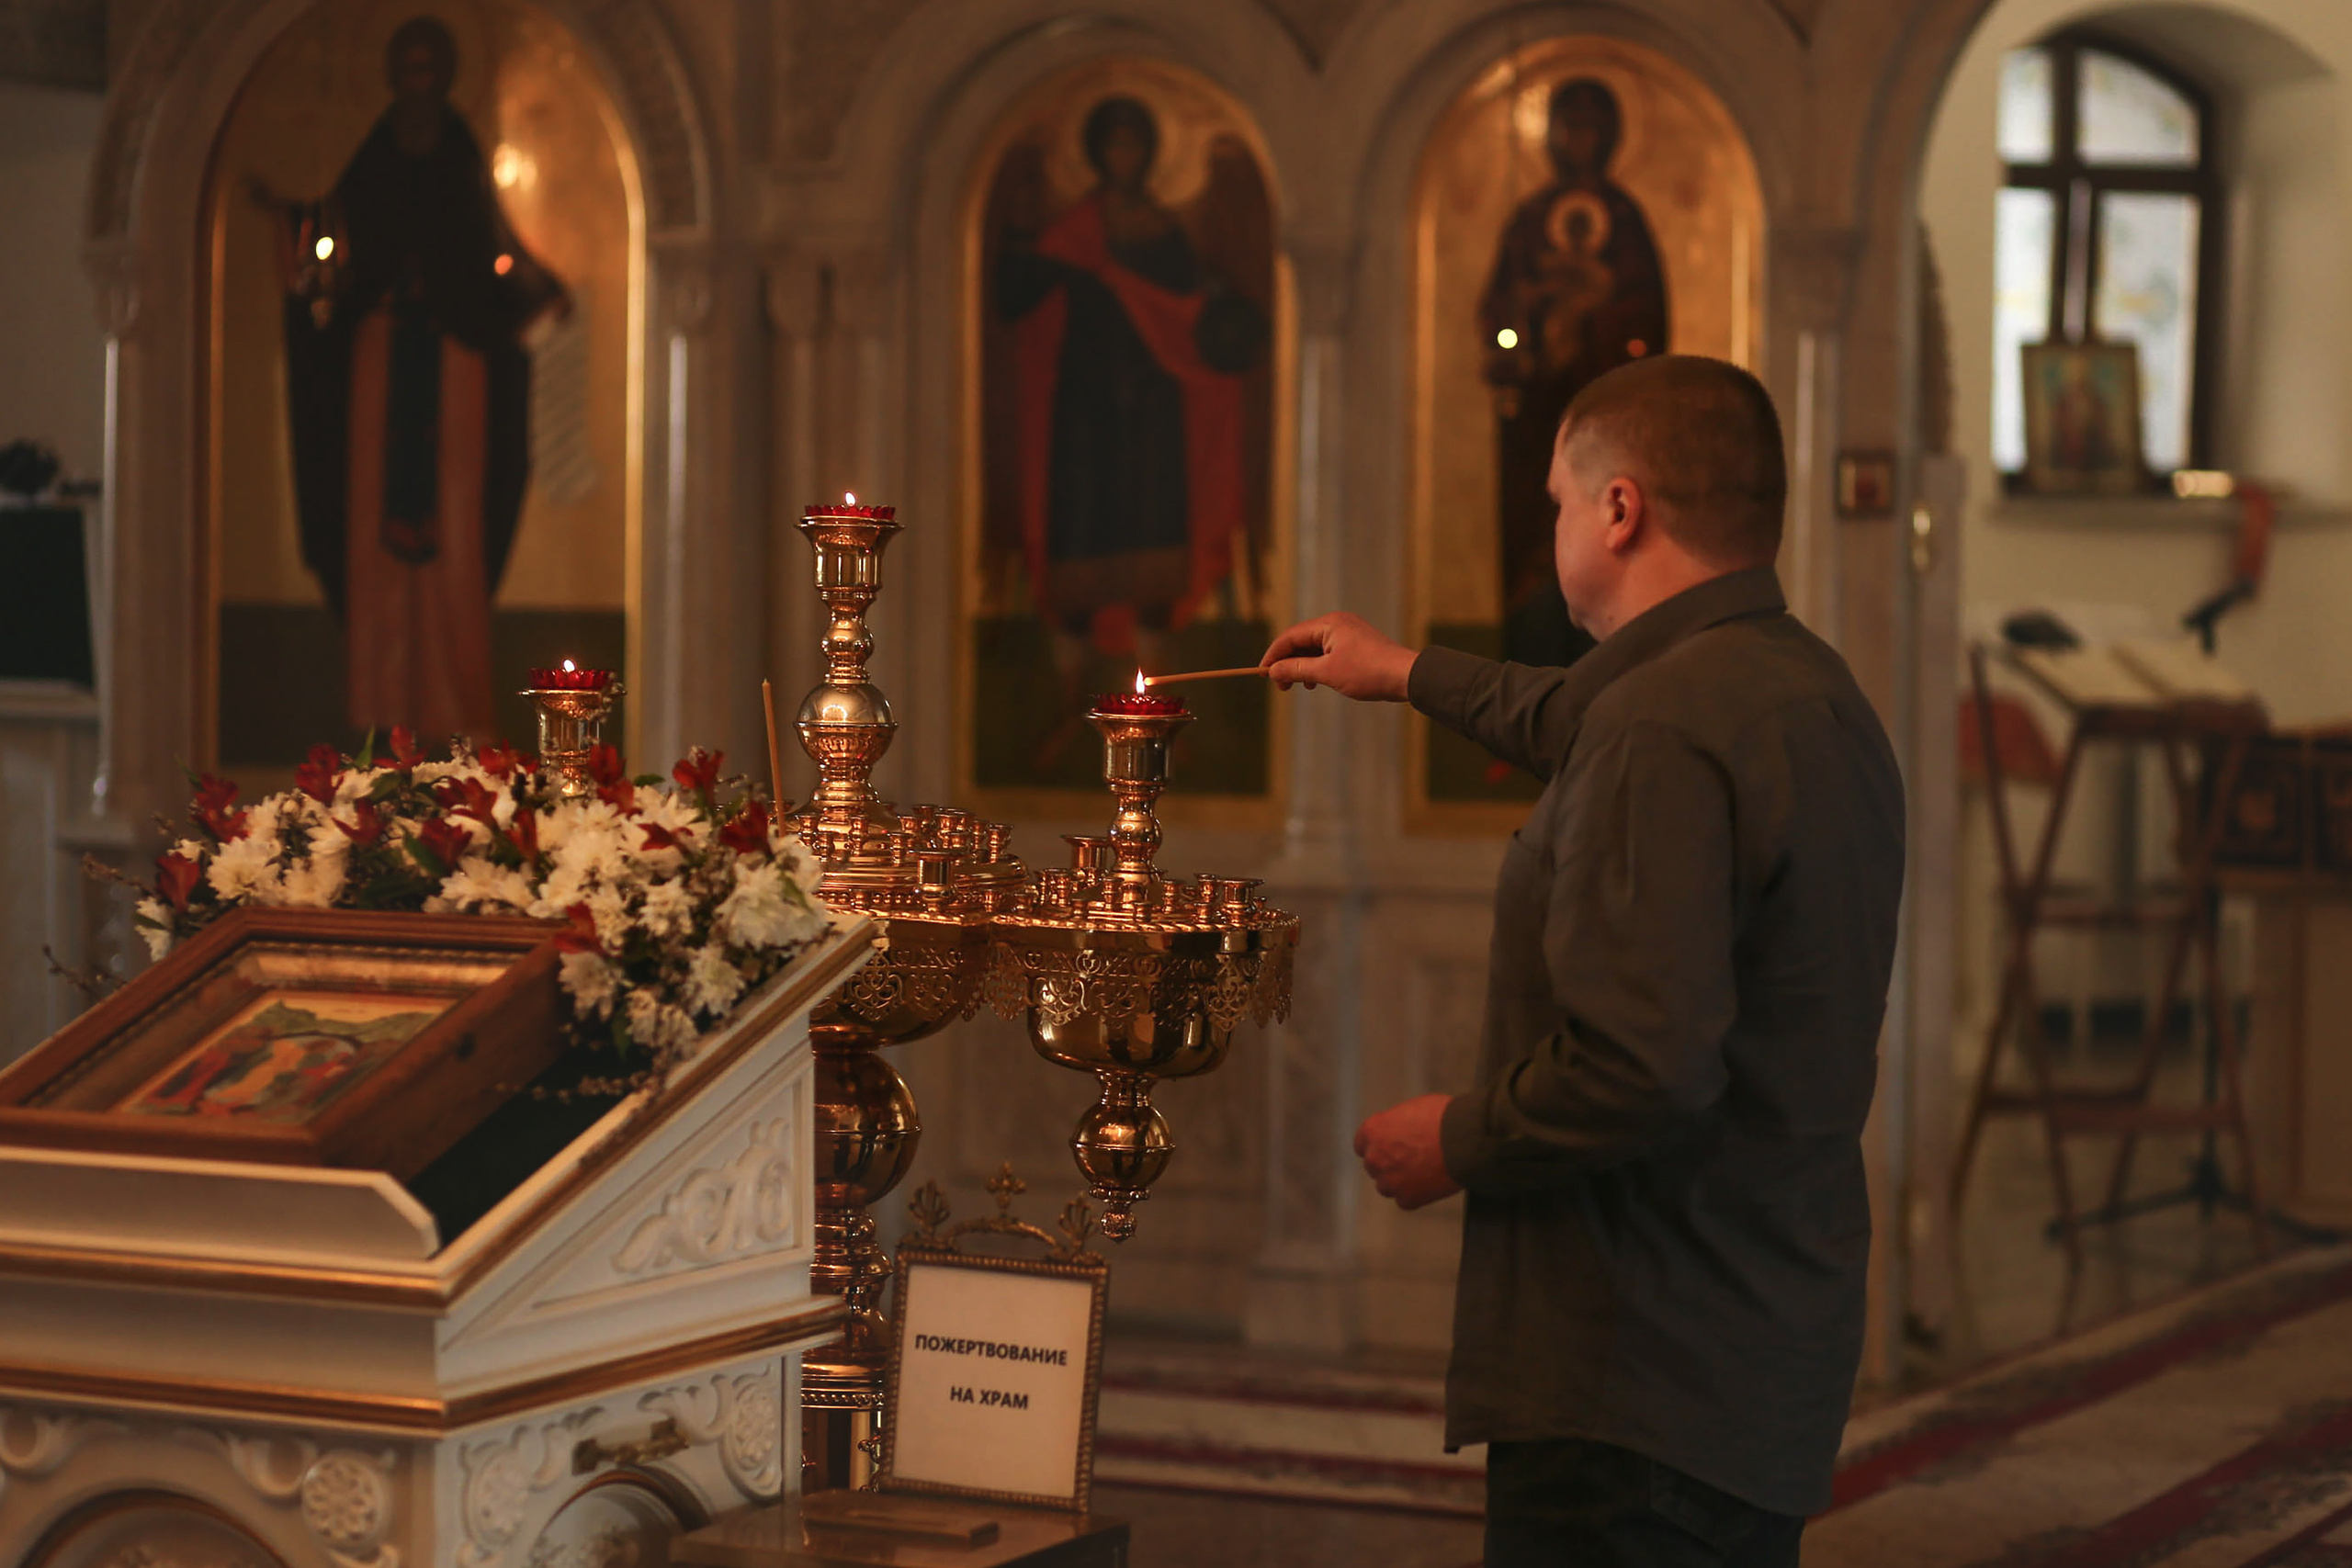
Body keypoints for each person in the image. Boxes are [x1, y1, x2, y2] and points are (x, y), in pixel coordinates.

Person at [1263, 355, 1905, 1565]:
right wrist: (1401, 669)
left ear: (1621, 511)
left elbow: (1638, 1067)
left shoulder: (1661, 729)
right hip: (1758, 1333)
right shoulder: (1796, 683)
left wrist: (1449, 1138)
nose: (1553, 521)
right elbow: (1579, 716)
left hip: (1635, 1372)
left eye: (1559, 498)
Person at [265, 16, 569, 742]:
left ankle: (454, 715)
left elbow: (493, 250)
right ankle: (379, 715)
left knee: (455, 532)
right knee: (373, 531)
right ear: (393, 76)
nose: (419, 82)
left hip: (456, 365)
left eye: (432, 69)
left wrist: (537, 294)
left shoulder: (462, 156)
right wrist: (285, 218)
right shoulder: (373, 159)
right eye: (409, 69)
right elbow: (335, 237)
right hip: (376, 355)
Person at [994, 96, 1267, 726]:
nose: (1125, 155)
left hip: (1152, 406)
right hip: (1084, 409)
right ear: (1095, 151)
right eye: (1114, 144)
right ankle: (1067, 703)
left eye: (1134, 144)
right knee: (1080, 539)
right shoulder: (1075, 229)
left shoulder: (1164, 229)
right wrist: (1021, 244)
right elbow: (1015, 297)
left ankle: (1157, 705)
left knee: (1153, 547)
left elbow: (1197, 309)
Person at [1479, 78, 1668, 669]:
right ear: (1554, 135)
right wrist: (1526, 324)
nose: (1580, 139)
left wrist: (1599, 310)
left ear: (1609, 136)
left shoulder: (1625, 221)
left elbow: (1649, 320)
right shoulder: (1533, 219)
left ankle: (1598, 668)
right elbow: (1499, 309)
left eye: (1591, 127)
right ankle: (1526, 674)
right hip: (1535, 418)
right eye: (1570, 126)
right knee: (1533, 539)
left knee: (1607, 536)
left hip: (1608, 418)